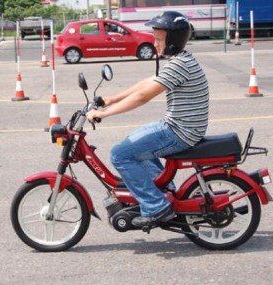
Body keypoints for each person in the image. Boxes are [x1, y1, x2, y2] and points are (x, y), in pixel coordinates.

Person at [86, 11, 209, 227]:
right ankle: (165, 188)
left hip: (180, 132)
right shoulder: (180, 60)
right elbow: (149, 81)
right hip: (178, 126)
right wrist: (113, 98)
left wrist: (104, 113)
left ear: (172, 41)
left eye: (159, 39)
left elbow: (144, 96)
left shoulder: (179, 65)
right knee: (133, 141)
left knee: (120, 155)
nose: (155, 44)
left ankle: (156, 207)